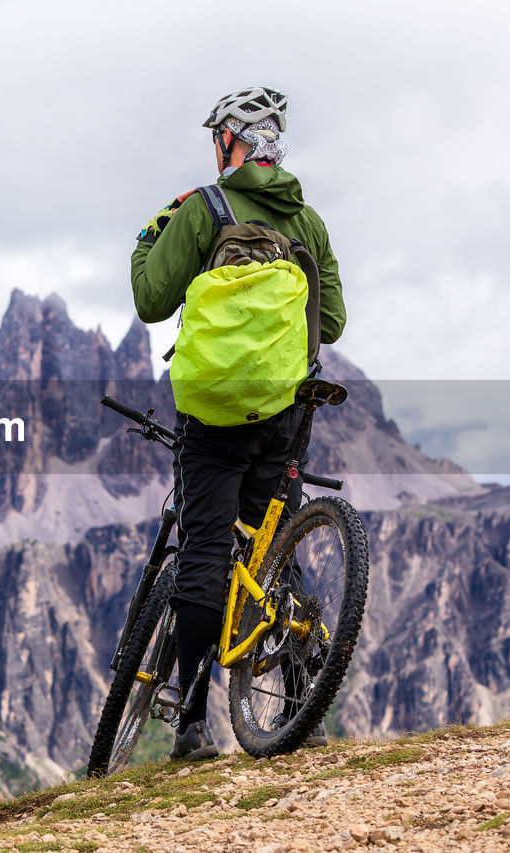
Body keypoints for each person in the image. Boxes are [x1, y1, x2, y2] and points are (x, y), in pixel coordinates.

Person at [129, 86, 346, 760]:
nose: (213, 149)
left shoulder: (203, 209)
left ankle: (190, 723)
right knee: (267, 549)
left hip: (212, 417)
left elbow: (149, 300)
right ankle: (298, 688)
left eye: (218, 137)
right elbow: (332, 321)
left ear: (236, 142)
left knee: (203, 553)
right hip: (280, 414)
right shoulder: (306, 223)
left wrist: (149, 238)